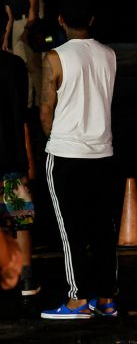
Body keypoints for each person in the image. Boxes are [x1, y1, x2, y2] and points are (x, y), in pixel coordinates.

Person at [39, 0, 120, 320]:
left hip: (66, 153)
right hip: (103, 151)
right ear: (92, 19)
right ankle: (106, 298)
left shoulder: (55, 57)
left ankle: (77, 300)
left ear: (61, 21)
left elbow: (46, 108)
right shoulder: (110, 55)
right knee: (103, 228)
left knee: (71, 229)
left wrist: (54, 136)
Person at [0, 47, 38, 298]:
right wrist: (27, 159)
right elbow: (21, 116)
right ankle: (26, 279)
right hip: (10, 154)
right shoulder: (14, 65)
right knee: (21, 218)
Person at [3, 0, 40, 107]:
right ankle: (27, 103)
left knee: (34, 66)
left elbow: (34, 9)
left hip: (29, 23)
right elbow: (9, 17)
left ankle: (39, 103)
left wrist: (28, 29)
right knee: (20, 66)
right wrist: (6, 38)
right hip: (17, 24)